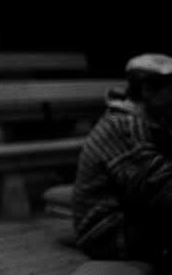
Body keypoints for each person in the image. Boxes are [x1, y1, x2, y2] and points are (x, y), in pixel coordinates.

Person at [73, 52, 172, 270]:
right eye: (170, 90)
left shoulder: (152, 119)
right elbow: (161, 190)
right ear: (147, 90)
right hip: (105, 231)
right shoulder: (125, 127)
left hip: (134, 214)